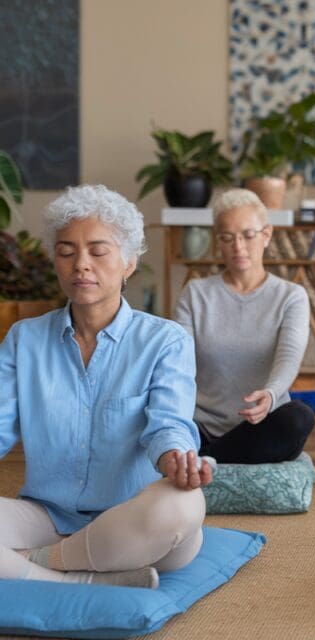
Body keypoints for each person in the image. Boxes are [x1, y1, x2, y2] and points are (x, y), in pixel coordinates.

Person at [0, 185, 211, 588]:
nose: (81, 264)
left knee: (185, 507)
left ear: (129, 262)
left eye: (98, 251)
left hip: (133, 518)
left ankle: (33, 566)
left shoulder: (166, 340)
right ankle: (78, 579)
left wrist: (176, 461)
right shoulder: (24, 340)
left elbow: (167, 425)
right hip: (45, 517)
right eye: (66, 251)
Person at [174, 188, 315, 464]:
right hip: (201, 426)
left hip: (262, 422)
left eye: (248, 236)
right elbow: (177, 364)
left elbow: (289, 356)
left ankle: (209, 460)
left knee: (299, 418)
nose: (238, 247)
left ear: (266, 234)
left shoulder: (290, 296)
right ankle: (216, 455)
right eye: (227, 238)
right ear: (218, 241)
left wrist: (271, 395)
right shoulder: (195, 293)